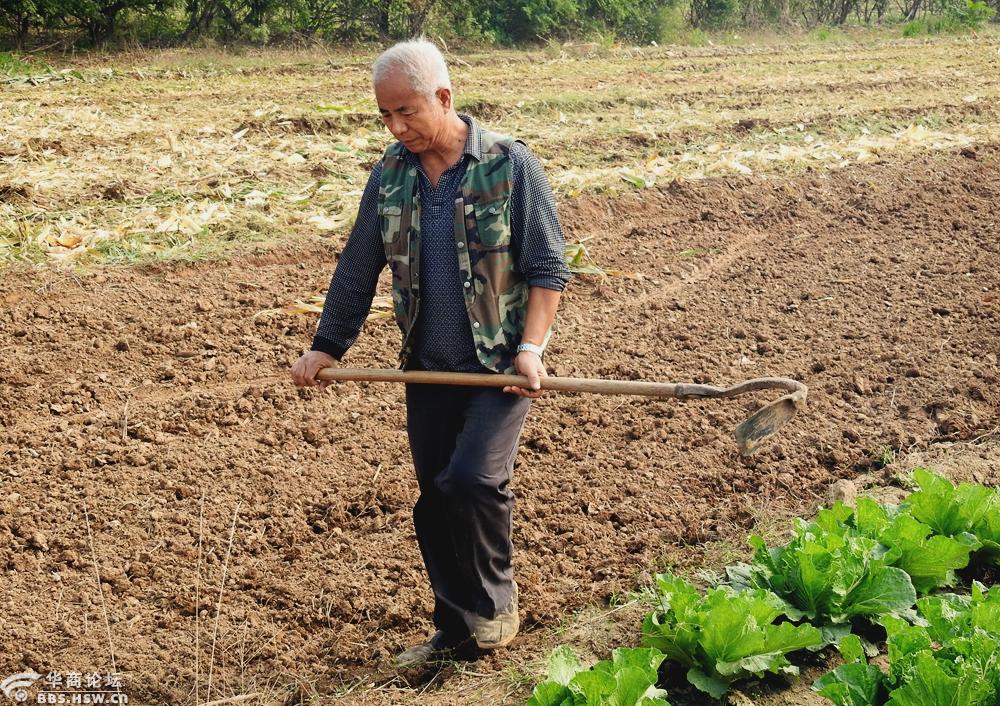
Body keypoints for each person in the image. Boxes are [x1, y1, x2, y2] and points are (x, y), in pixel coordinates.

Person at [291, 38, 571, 667]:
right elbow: (359, 265)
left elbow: (548, 267)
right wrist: (325, 346)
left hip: (498, 366)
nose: (396, 128)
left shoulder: (509, 165)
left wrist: (531, 348)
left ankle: (495, 606)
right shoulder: (391, 174)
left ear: (444, 98)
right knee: (434, 496)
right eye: (385, 115)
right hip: (426, 364)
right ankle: (454, 631)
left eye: (407, 112)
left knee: (472, 480)